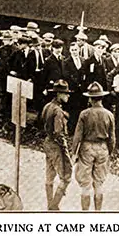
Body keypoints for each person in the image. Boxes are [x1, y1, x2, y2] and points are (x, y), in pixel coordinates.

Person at [72, 82, 115, 211]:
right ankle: (97, 213)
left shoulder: (84, 114)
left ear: (90, 98)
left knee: (85, 185)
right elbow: (112, 138)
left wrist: (74, 153)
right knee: (99, 183)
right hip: (102, 148)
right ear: (101, 98)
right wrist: (109, 152)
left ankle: (85, 213)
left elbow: (77, 137)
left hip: (87, 148)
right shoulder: (109, 115)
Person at [41, 80, 73, 210]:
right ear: (59, 94)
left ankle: (50, 203)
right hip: (56, 145)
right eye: (65, 94)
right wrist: (65, 149)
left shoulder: (47, 106)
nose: (68, 96)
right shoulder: (58, 111)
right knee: (66, 177)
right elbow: (59, 133)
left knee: (50, 176)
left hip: (47, 143)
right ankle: (53, 207)